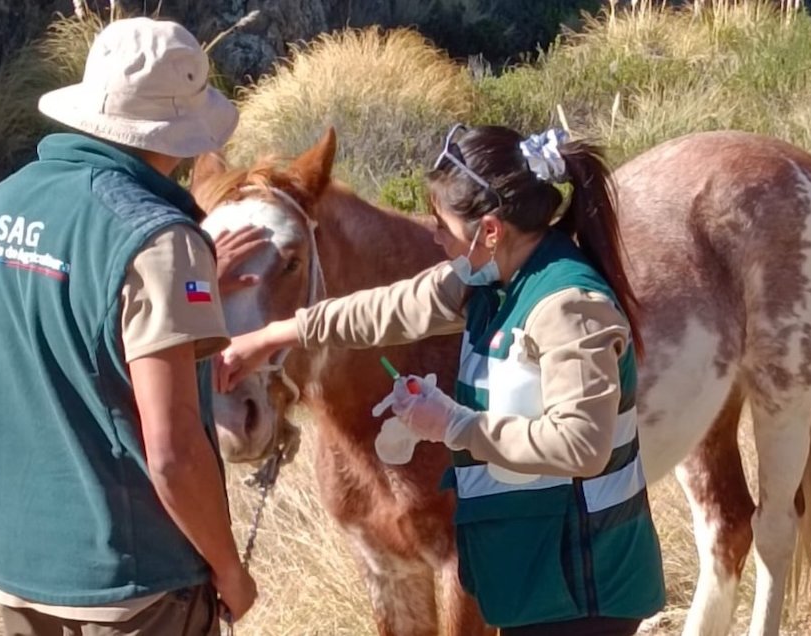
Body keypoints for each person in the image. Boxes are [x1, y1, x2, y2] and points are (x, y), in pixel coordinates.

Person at [216, 124, 666, 635]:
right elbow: (395, 307)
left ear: (491, 231)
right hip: (537, 564)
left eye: (441, 223)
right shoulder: (489, 276)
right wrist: (278, 334)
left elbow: (582, 444)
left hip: (585, 584)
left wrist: (452, 423)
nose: (430, 235)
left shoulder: (568, 306)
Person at [0, 17, 266, 636]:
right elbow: (174, 452)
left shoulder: (0, 206)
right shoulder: (159, 242)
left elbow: (70, 319)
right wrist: (230, 570)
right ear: (178, 131)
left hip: (20, 569)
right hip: (134, 586)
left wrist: (193, 281)